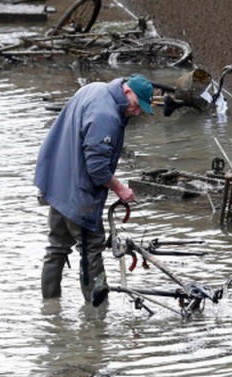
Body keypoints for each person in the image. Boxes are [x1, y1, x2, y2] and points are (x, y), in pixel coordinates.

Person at [34, 74, 154, 303]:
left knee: (56, 248)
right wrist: (120, 189)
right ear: (128, 92)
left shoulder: (95, 89)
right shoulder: (106, 116)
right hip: (78, 193)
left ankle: (50, 306)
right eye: (137, 106)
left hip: (57, 182)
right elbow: (97, 169)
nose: (137, 113)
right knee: (91, 249)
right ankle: (97, 312)